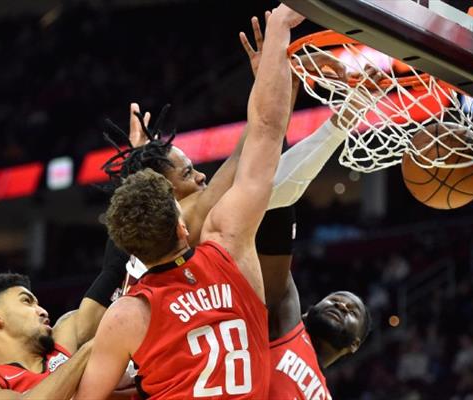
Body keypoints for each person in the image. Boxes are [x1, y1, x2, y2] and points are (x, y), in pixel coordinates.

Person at [75, 5, 306, 398]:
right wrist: (280, 29)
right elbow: (267, 129)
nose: (200, 178)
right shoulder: (229, 240)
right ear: (181, 224)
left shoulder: (125, 314)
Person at [0, 273, 98, 400]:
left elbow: (108, 278)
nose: (43, 311)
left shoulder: (64, 337)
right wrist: (89, 350)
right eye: (27, 301)